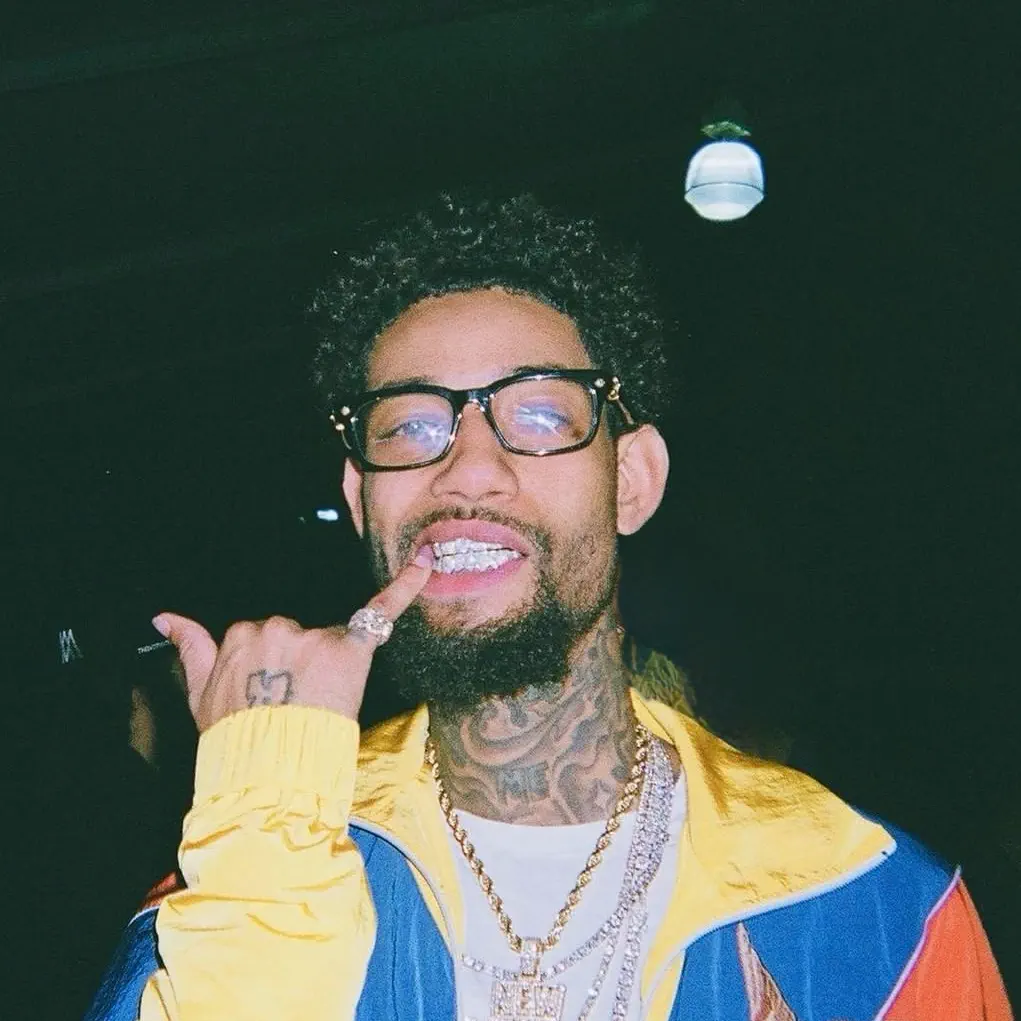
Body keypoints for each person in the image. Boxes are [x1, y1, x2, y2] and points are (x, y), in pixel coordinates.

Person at [86, 194, 1012, 1021]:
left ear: (631, 480)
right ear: (363, 498)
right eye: (409, 426)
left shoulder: (871, 908)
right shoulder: (250, 860)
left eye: (537, 415)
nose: (467, 469)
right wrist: (266, 825)